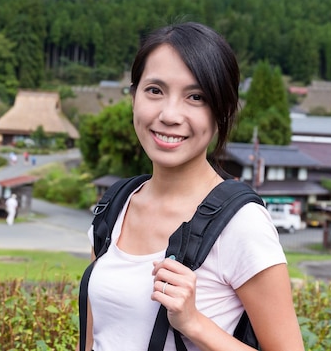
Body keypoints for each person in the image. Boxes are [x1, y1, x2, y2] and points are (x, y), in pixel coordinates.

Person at [80, 22, 304, 351]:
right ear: (133, 97)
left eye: (195, 97)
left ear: (222, 112)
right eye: (154, 90)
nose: (170, 114)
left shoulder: (242, 224)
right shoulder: (115, 207)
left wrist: (194, 323)